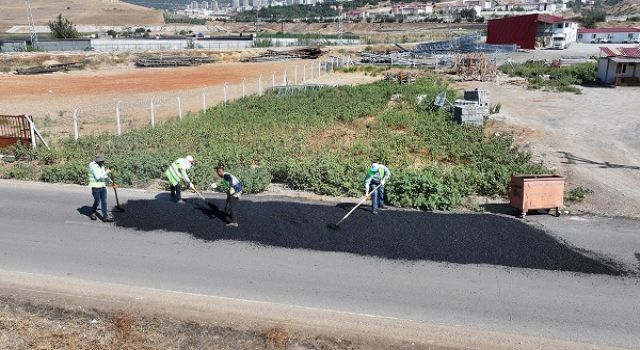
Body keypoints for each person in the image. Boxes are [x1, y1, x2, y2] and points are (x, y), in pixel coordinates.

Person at [88, 154, 114, 222]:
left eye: (103, 161)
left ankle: (105, 217)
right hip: (96, 187)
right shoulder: (93, 166)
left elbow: (104, 175)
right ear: (98, 161)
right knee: (97, 201)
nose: (103, 162)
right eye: (102, 161)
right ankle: (92, 212)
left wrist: (111, 182)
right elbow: (98, 177)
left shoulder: (101, 166)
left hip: (102, 186)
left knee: (104, 201)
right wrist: (107, 171)